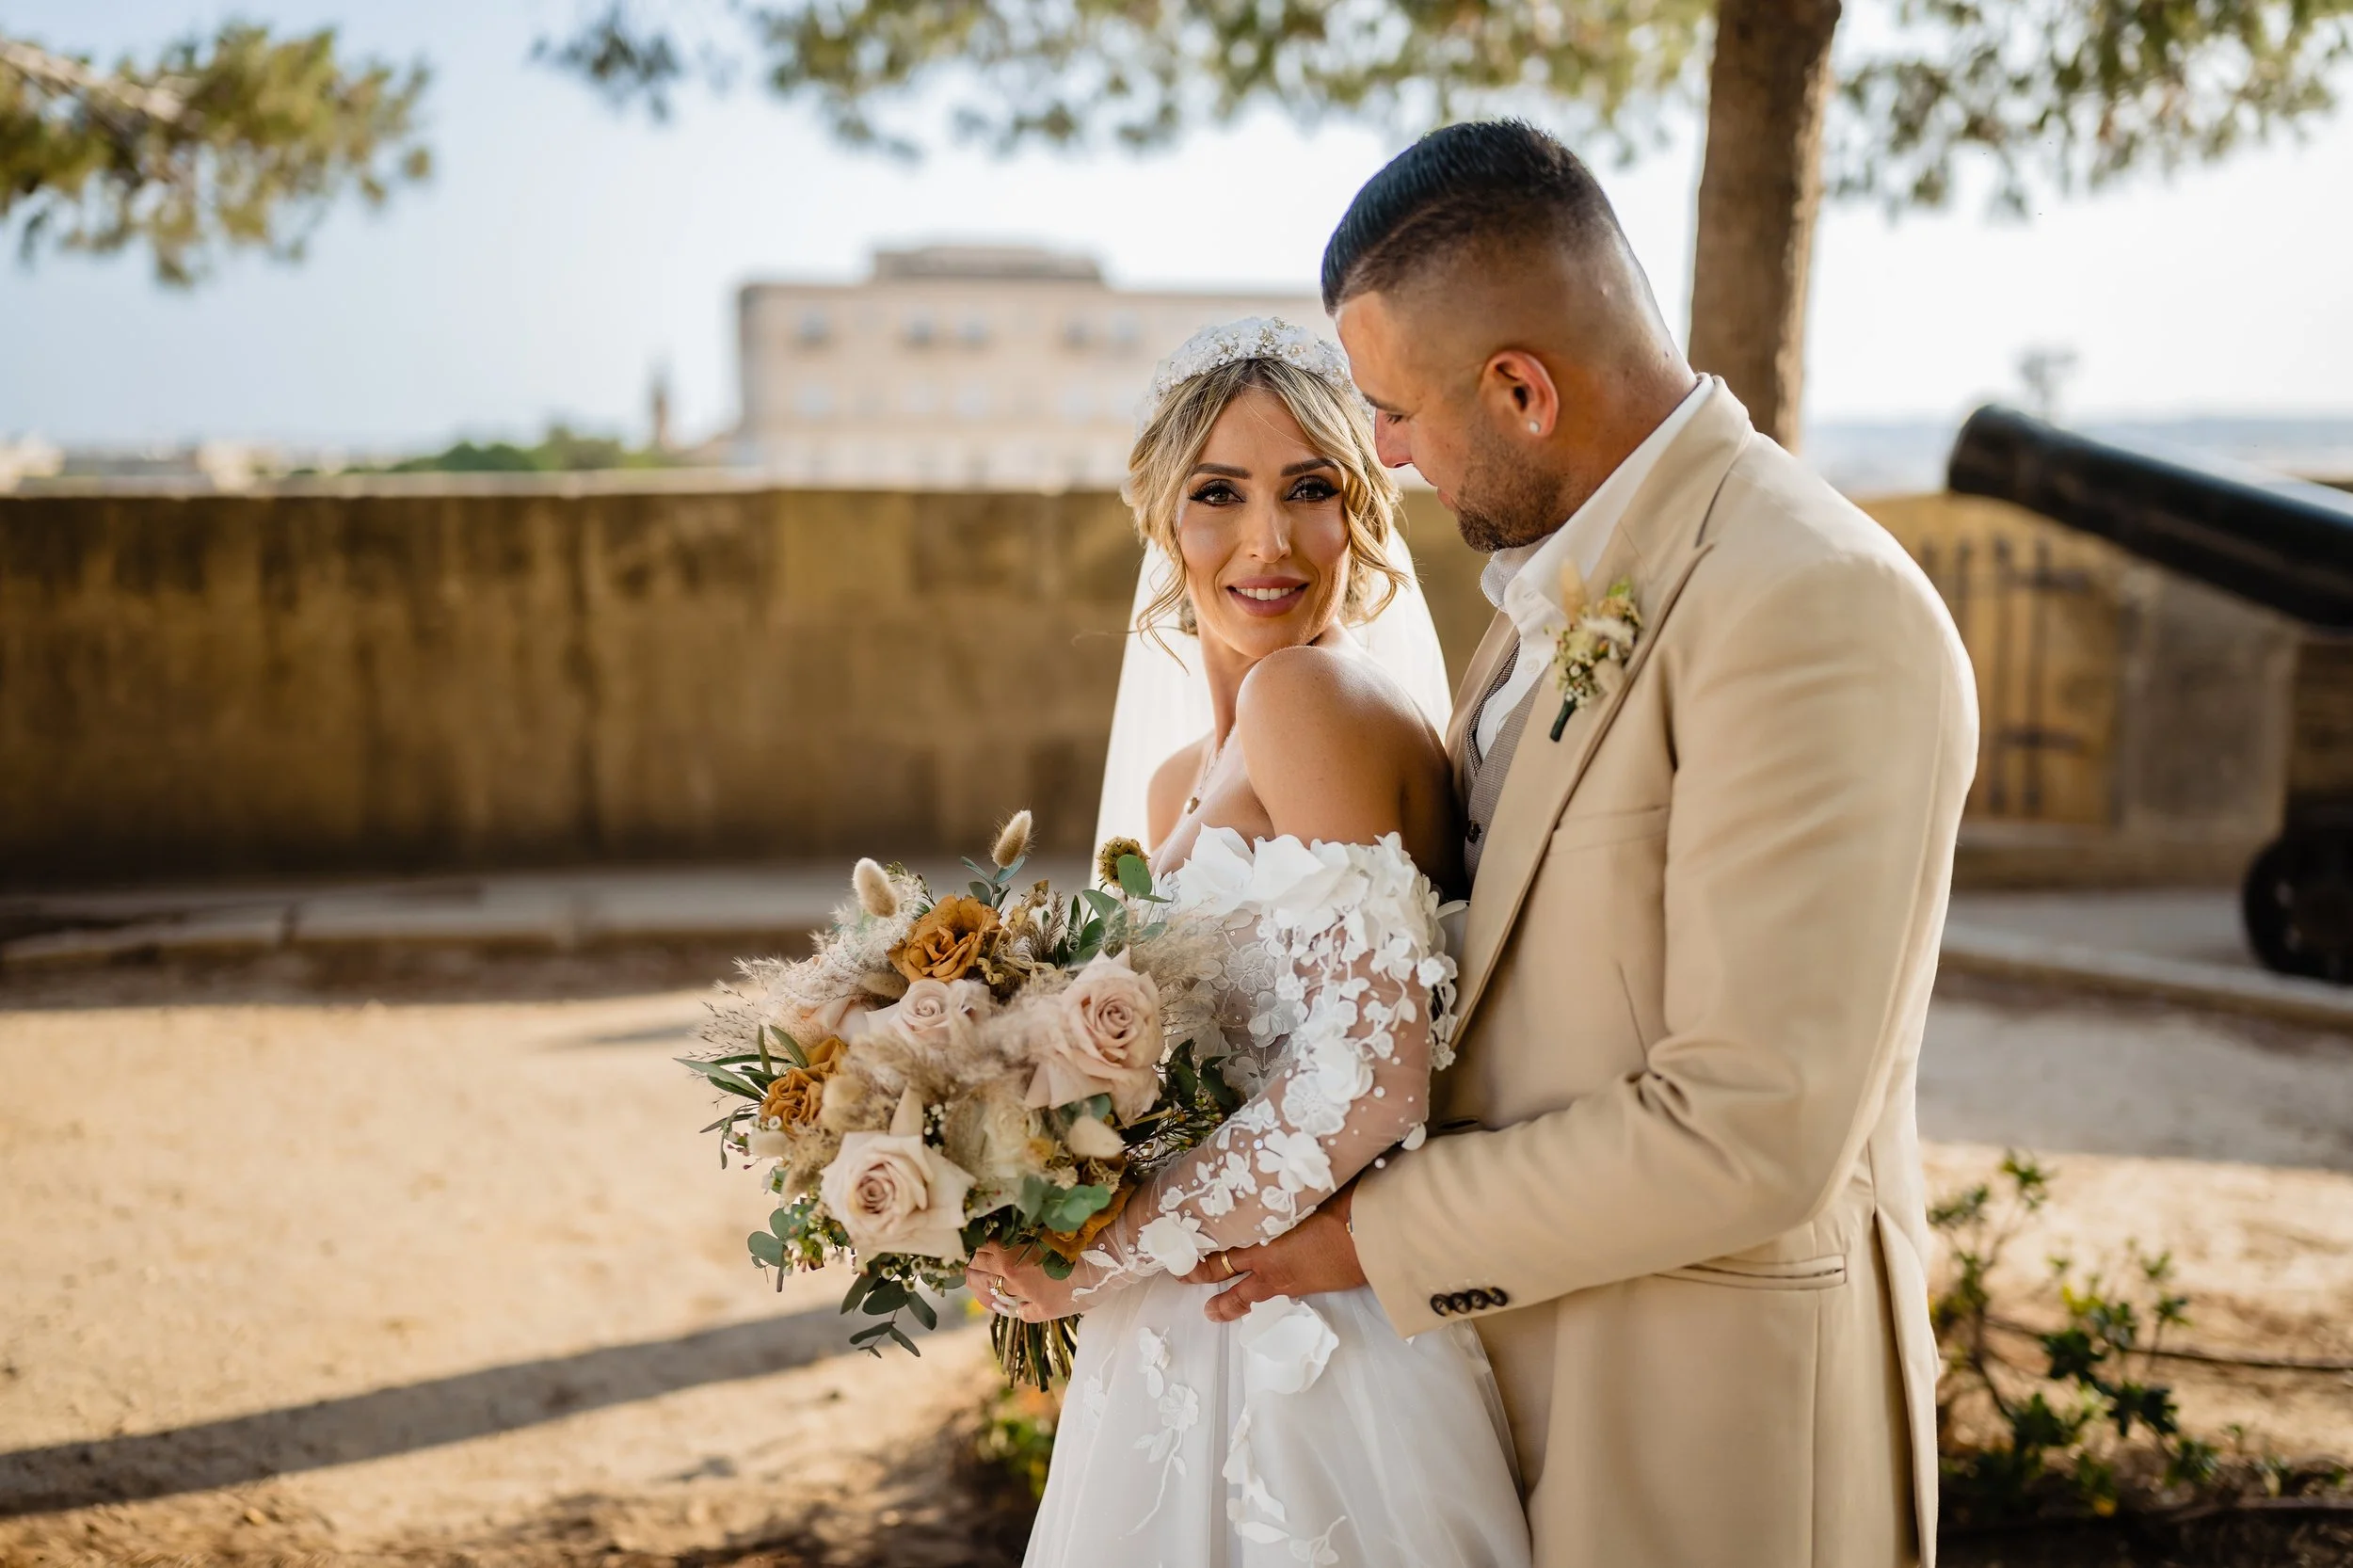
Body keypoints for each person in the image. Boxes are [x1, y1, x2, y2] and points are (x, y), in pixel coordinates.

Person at [1176, 121, 1978, 1567]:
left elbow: (1752, 1124)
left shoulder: (1811, 602)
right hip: (1515, 1374)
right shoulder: (1562, 592)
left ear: (1522, 389)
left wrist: (1368, 1241)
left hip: (1705, 1418)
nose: (1392, 461)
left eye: (1397, 415)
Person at [968, 316, 1532, 1567]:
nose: (1266, 540)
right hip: (1179, 1328)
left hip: (1302, 1357)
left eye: (1311, 490)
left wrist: (1096, 1252)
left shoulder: (1311, 698)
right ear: (1166, 523)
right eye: (1218, 493)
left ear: (1362, 515)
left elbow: (1372, 1085)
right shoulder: (1180, 782)